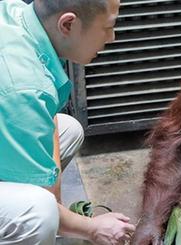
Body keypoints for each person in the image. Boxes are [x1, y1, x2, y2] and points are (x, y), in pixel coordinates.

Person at [0, 0, 136, 244]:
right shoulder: (25, 88)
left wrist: (57, 203)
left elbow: (47, 114)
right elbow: (30, 95)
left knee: (69, 130)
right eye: (107, 27)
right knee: (36, 211)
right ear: (68, 24)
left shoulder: (15, 12)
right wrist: (92, 228)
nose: (112, 37)